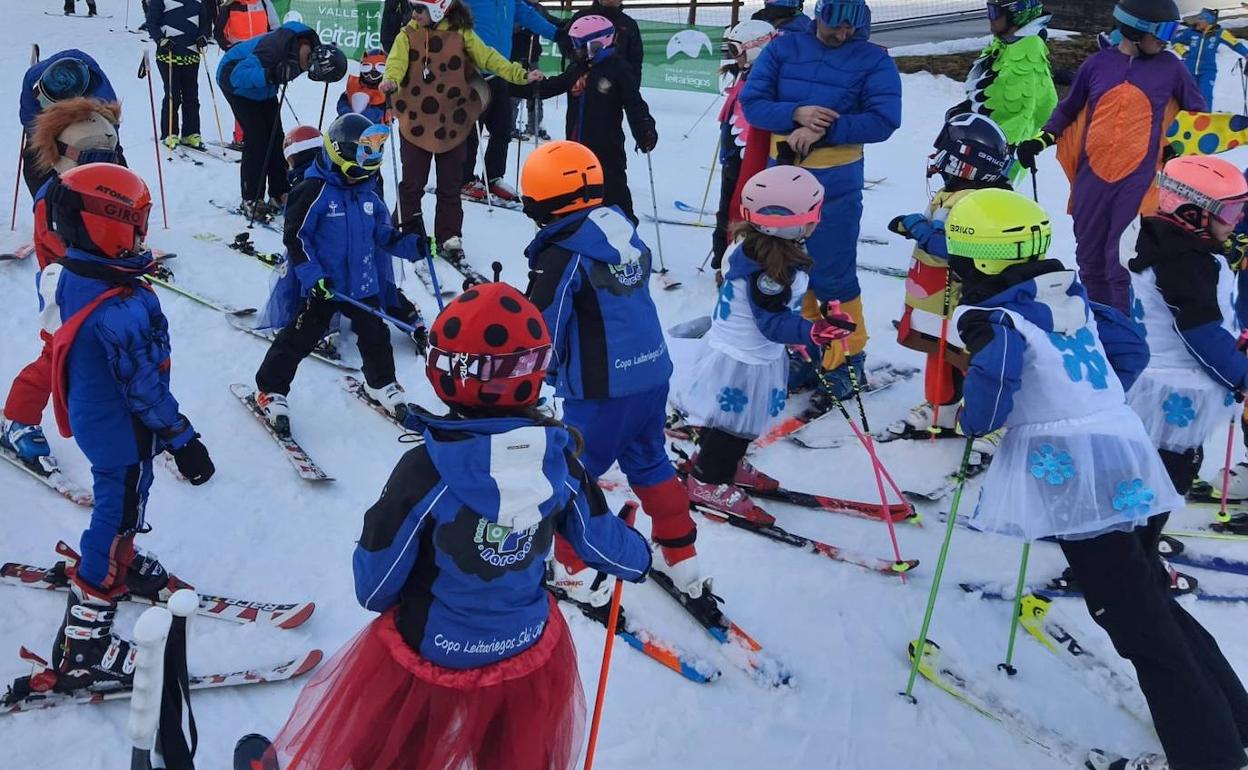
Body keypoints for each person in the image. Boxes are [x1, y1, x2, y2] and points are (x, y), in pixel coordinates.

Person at [263, 282, 651, 770]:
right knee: (511, 751)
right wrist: (639, 557)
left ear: (444, 374)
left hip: (436, 649)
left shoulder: (427, 470)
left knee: (396, 748)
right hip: (525, 648)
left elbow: (375, 584)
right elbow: (606, 547)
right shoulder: (560, 463)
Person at [946, 187, 1248, 770]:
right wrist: (1096, 401)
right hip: (1125, 452)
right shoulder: (1063, 289)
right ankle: (1230, 716)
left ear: (975, 262)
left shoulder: (992, 315)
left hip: (1074, 477)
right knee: (1147, 595)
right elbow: (1128, 345)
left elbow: (997, 377)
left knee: (1132, 618)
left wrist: (977, 421)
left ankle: (1205, 754)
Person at [40, 164, 214, 691]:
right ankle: (85, 641)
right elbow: (146, 392)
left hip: (96, 418)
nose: (142, 233)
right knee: (117, 514)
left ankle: (125, 560)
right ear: (108, 225)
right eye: (136, 222)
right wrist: (184, 441)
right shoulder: (124, 307)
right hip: (123, 432)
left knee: (118, 505)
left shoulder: (76, 272)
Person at [520, 140, 700, 602]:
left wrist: (524, 382)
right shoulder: (619, 228)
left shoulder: (562, 252)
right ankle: (682, 556)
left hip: (603, 390)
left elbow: (543, 327)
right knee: (650, 460)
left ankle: (573, 566)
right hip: (651, 373)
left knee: (571, 474)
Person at [739, 0, 901, 407]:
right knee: (788, 264)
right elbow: (754, 103)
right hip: (782, 179)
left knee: (834, 273)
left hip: (836, 182)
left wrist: (824, 130)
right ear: (819, 16)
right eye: (834, 26)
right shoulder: (783, 48)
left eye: (851, 29)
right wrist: (797, 113)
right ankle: (810, 349)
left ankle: (846, 357)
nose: (841, 35)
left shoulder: (873, 60)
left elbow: (884, 119)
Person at [670, 165, 852, 519]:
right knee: (736, 425)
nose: (818, 221)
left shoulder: (755, 245)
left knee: (728, 419)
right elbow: (771, 324)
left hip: (738, 350)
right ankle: (708, 480)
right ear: (793, 223)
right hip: (744, 359)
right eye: (814, 215)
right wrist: (812, 332)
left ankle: (719, 462)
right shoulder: (771, 270)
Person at [1015, 0, 1204, 313]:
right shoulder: (1097, 65)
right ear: (1135, 29)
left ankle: (1123, 327)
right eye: (1162, 31)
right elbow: (1068, 109)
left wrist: (1176, 145)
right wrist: (1041, 140)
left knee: (1121, 257)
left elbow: (1196, 112)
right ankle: (1099, 322)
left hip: (1139, 178)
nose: (1166, 40)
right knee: (1089, 254)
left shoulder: (1171, 68)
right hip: (1092, 175)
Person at [253, 114, 428, 435]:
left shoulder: (368, 192)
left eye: (375, 152)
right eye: (365, 152)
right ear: (341, 151)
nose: (371, 160)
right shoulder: (313, 190)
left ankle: (382, 383)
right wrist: (313, 276)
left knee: (375, 338)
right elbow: (296, 238)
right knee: (298, 337)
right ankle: (270, 388)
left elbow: (384, 236)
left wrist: (414, 246)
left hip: (362, 285)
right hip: (325, 287)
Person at [1126, 156, 1248, 525]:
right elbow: (1200, 333)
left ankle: (1136, 555)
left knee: (1152, 474)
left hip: (1155, 383)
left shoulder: (1159, 238)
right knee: (1166, 478)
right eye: (1229, 211)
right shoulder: (1185, 261)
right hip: (1174, 389)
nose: (1238, 220)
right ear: (1193, 212)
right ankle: (1136, 567)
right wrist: (1242, 377)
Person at [2, 99, 121, 465]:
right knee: (59, 356)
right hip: (66, 290)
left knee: (119, 350)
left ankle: (122, 413)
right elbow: (60, 251)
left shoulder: (107, 187)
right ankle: (17, 419)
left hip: (109, 288)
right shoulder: (53, 200)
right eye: (91, 157)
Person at [885, 113, 1014, 447]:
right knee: (937, 354)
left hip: (958, 299)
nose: (936, 162)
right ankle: (941, 409)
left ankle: (987, 422)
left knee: (968, 359)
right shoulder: (954, 192)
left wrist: (918, 229)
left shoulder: (977, 202)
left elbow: (953, 246)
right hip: (931, 298)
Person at [380, 0, 543, 259]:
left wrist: (519, 74)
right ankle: (405, 227)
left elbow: (489, 57)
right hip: (416, 120)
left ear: (438, 9)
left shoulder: (461, 34)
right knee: (413, 181)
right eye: (413, 8)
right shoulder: (407, 34)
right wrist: (390, 80)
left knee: (451, 182)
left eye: (420, 9)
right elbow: (396, 62)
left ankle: (449, 234)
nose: (414, 14)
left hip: (451, 122)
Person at [526, 15, 657, 223]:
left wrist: (645, 130)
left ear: (597, 44)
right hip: (576, 147)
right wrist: (525, 86)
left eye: (579, 46)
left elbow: (634, 103)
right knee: (578, 190)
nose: (574, 51)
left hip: (607, 147)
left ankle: (626, 231)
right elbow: (552, 86)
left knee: (613, 190)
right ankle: (580, 229)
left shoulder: (618, 69)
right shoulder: (576, 69)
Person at [217, 22, 347, 219]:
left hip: (263, 89)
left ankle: (279, 192)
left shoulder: (310, 49)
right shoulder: (273, 49)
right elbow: (238, 76)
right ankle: (251, 197)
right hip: (236, 82)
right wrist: (271, 74)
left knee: (276, 137)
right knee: (257, 138)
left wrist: (274, 76)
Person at [457, 0, 557, 203]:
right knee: (471, 131)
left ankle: (492, 177)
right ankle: (463, 179)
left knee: (502, 129)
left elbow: (530, 16)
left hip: (499, 70)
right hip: (472, 74)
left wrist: (558, 35)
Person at [954, 0, 1056, 174]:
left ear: (1016, 14)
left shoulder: (1028, 52)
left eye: (994, 12)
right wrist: (969, 108)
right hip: (981, 144)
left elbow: (1026, 111)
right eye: (989, 11)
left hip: (999, 156)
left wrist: (1004, 146)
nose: (990, 18)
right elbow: (995, 91)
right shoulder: (1005, 44)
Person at [711, 20, 778, 282]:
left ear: (754, 48)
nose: (732, 57)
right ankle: (722, 259)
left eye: (736, 49)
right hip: (734, 155)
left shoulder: (765, 79)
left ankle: (737, 261)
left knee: (741, 209)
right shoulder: (746, 75)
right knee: (726, 207)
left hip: (750, 158)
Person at [19, 50, 123, 196]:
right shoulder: (32, 79)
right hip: (47, 127)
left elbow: (110, 131)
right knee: (36, 167)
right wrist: (49, 143)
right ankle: (47, 210)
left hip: (91, 124)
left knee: (109, 166)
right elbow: (30, 122)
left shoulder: (99, 94)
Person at [148, 0, 213, 151]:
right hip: (168, 55)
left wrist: (203, 36)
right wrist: (160, 39)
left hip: (191, 54)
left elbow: (204, 22)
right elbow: (151, 22)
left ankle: (191, 133)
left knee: (191, 96)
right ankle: (169, 133)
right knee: (173, 94)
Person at [214, 0, 278, 149]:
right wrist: (230, 50)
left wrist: (273, 50)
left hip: (261, 56)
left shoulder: (264, 3)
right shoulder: (230, 5)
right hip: (239, 58)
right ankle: (241, 137)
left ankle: (263, 135)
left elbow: (275, 29)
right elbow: (219, 32)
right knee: (243, 96)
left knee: (262, 94)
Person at [1173, 8, 1248, 109]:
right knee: (1187, 96)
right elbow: (1175, 41)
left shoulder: (1219, 33)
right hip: (1189, 70)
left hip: (1208, 71)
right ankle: (1185, 118)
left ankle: (1206, 119)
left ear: (1208, 21)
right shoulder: (1190, 31)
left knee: (1205, 95)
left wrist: (1246, 54)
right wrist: (1183, 52)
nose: (1197, 21)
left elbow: (1235, 44)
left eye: (1201, 19)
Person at [557, 0, 644, 83]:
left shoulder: (629, 24)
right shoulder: (581, 17)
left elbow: (636, 60)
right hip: (583, 83)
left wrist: (632, 87)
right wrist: (579, 57)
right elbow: (565, 43)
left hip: (616, 86)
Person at [335, 48, 390, 125]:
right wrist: (347, 114)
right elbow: (342, 103)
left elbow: (379, 112)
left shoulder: (386, 92)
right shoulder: (354, 85)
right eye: (366, 69)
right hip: (346, 125)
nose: (370, 76)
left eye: (377, 72)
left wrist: (358, 119)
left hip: (372, 130)